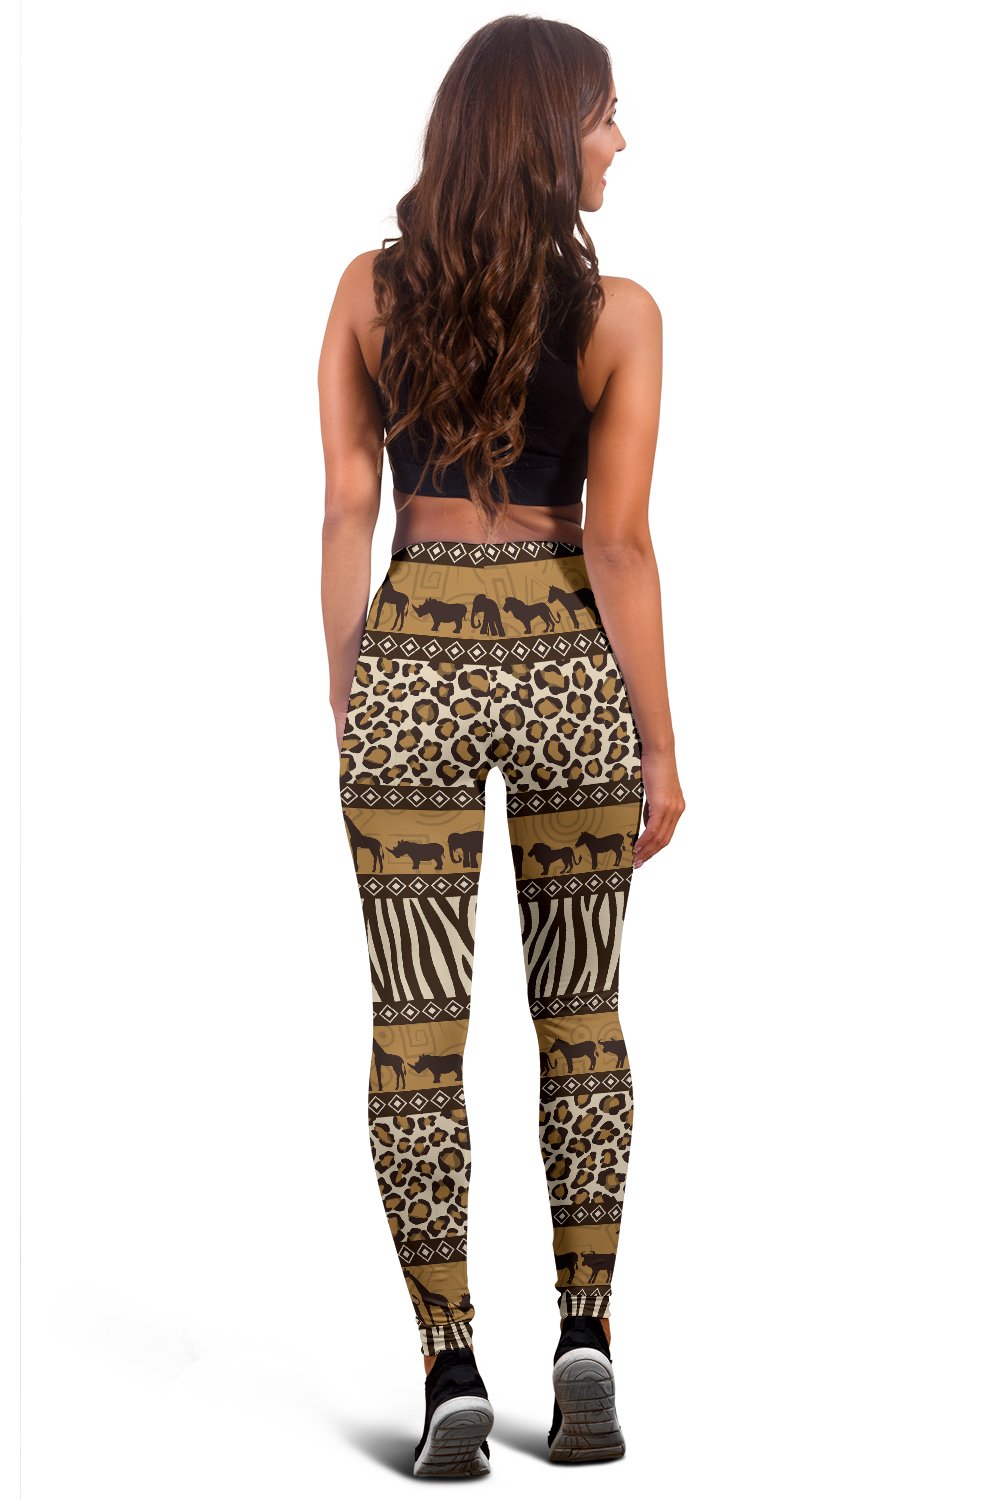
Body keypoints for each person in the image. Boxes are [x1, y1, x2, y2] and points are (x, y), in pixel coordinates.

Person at [318, 15, 684, 1477]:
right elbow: (622, 543)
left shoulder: (367, 291)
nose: (619, 141)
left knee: (416, 1024)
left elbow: (348, 510)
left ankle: (450, 1364)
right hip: (563, 658)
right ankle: (585, 1337)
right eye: (602, 115)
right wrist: (661, 746)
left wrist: (354, 685)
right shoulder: (620, 316)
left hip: (412, 648)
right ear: (543, 132)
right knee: (581, 1009)